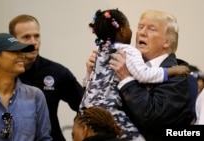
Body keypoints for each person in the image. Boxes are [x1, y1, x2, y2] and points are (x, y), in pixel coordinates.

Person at [0, 14, 84, 140]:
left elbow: (85, 107)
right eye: (26, 37)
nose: (33, 42)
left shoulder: (52, 77)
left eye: (37, 36)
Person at [80, 9, 189, 141]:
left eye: (151, 29)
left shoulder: (178, 75)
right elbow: (93, 110)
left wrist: (127, 80)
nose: (142, 33)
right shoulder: (121, 61)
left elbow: (153, 118)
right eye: (140, 27)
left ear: (166, 42)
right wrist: (92, 75)